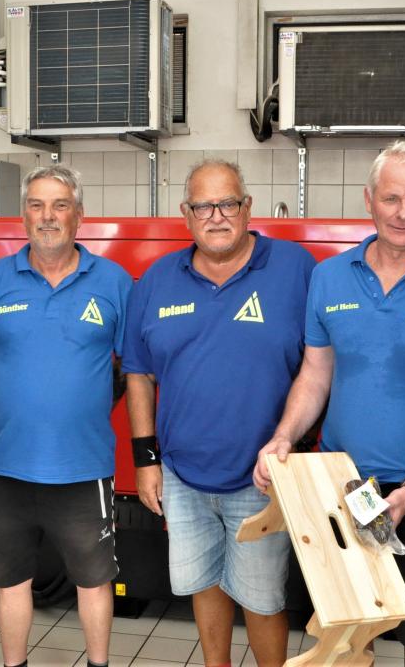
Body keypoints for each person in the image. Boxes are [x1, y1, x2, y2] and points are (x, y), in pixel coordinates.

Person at [255, 139, 405, 667]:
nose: (403, 213)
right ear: (369, 199)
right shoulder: (330, 276)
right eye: (391, 198)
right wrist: (283, 436)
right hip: (344, 486)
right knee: (347, 631)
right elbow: (315, 375)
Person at [123, 159, 316, 667]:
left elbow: (322, 363)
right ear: (185, 214)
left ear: (247, 207)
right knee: (204, 584)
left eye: (227, 203)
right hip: (182, 475)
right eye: (203, 206)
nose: (216, 216)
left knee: (262, 598)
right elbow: (139, 373)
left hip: (263, 476)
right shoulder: (158, 279)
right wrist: (146, 461)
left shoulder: (296, 269)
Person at [0, 164, 132, 667]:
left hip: (84, 467)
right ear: (24, 215)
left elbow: (132, 365)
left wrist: (92, 400)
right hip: (8, 465)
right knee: (10, 581)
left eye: (60, 205)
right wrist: (7, 396)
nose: (48, 216)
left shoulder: (114, 282)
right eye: (37, 205)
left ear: (79, 215)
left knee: (94, 581)